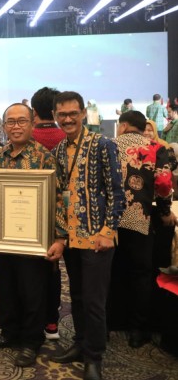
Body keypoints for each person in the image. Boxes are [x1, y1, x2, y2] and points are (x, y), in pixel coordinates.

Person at [0, 103, 66, 367]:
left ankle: (30, 341)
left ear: (32, 124)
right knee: (6, 287)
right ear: (4, 126)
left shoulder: (44, 157)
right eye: (11, 122)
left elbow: (59, 198)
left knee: (32, 291)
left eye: (21, 121)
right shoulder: (0, 154)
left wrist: (59, 237)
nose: (15, 127)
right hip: (6, 235)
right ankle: (10, 333)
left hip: (35, 238)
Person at [50, 91, 125, 380]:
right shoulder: (58, 150)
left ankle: (94, 356)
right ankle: (80, 345)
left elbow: (117, 192)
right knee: (78, 296)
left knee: (94, 300)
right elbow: (59, 197)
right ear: (56, 116)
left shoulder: (103, 145)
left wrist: (108, 232)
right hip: (71, 238)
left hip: (98, 239)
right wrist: (59, 236)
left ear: (83, 113)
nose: (67, 119)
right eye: (62, 114)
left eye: (72, 113)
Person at [108, 110, 174, 347]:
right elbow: (164, 183)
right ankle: (137, 330)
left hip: (110, 221)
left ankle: (107, 324)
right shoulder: (156, 148)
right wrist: (165, 211)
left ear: (123, 125)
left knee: (109, 271)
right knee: (141, 274)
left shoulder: (109, 146)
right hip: (139, 218)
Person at [30, 86, 66, 339]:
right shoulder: (68, 138)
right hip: (63, 215)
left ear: (33, 112)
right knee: (54, 267)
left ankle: (30, 320)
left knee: (29, 270)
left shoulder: (23, 137)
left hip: (26, 215)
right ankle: (51, 323)